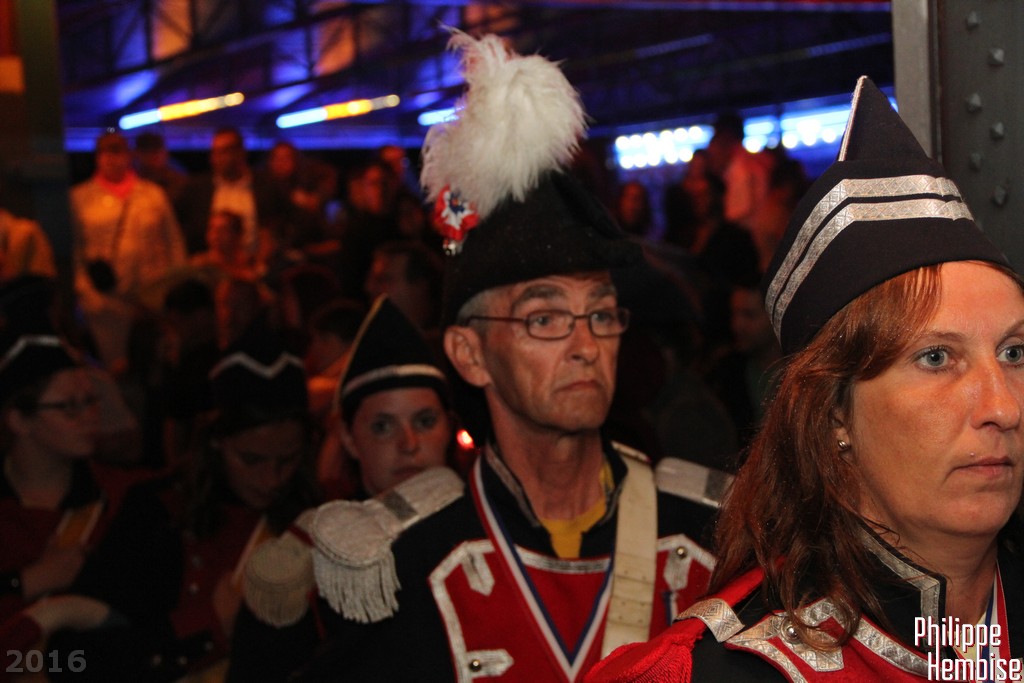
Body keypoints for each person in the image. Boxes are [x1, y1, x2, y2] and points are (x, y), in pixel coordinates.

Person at [298, 32, 724, 682]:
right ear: (469, 354)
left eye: (601, 313)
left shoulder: (711, 536)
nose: (586, 345)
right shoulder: (406, 564)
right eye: (544, 318)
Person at [587, 76, 1024, 682]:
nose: (1003, 406)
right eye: (935, 358)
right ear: (832, 413)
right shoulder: (727, 672)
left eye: (1014, 352)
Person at [226, 294, 459, 681]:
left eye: (424, 421)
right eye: (382, 426)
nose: (408, 444)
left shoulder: (489, 524)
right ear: (348, 438)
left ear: (448, 426)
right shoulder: (312, 549)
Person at [73, 319, 320, 681]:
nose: (271, 478)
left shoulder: (322, 519)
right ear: (217, 442)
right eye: (251, 459)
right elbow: (78, 656)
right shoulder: (157, 512)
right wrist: (209, 624)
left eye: (287, 460)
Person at [71, 131, 187, 304]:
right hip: (106, 299)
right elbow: (75, 251)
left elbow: (173, 242)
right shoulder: (79, 198)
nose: (110, 158)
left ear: (128, 155)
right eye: (104, 152)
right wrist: (86, 293)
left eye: (116, 151)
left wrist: (177, 286)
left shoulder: (153, 194)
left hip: (155, 295)